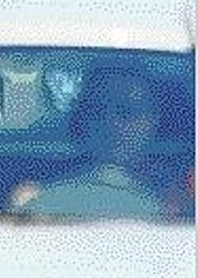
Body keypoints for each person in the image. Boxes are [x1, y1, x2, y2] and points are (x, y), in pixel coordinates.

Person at [13, 68, 167, 220]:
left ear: (155, 120)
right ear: (82, 119)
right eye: (98, 111)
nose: (111, 122)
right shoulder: (39, 195)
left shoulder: (179, 190)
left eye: (127, 111)